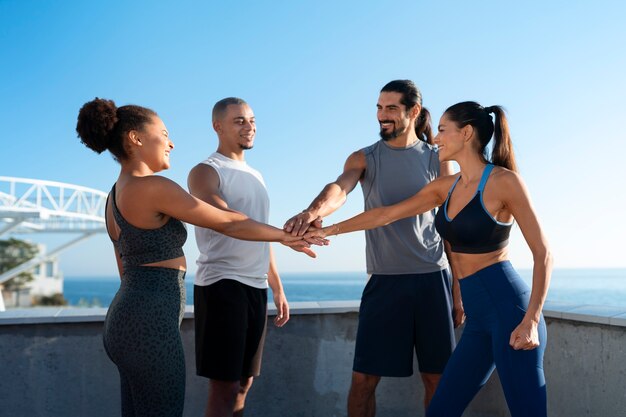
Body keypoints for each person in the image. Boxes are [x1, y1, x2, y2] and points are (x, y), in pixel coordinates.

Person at [75, 98, 322, 417]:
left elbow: (125, 269)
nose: (171, 143)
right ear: (136, 138)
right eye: (163, 133)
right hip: (150, 324)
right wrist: (289, 235)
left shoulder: (114, 196)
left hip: (125, 317)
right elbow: (227, 220)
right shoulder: (153, 187)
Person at [305, 101, 552, 417]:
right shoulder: (445, 188)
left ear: (465, 133)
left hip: (510, 312)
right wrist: (327, 229)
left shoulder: (504, 182)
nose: (436, 138)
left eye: (442, 130)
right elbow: (385, 214)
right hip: (479, 320)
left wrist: (531, 319)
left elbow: (544, 254)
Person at [284, 80, 461, 415]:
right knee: (363, 381)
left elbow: (449, 226)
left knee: (438, 380)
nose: (382, 115)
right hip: (385, 282)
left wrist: (458, 287)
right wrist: (312, 212)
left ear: (414, 112)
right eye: (379, 108)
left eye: (391, 108)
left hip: (432, 281)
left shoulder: (438, 158)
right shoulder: (364, 157)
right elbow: (339, 188)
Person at [188, 97, 303, 417]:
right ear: (218, 126)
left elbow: (257, 235)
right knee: (223, 388)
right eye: (239, 121)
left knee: (244, 383)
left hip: (255, 288)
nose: (249, 126)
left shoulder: (257, 175)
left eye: (251, 120)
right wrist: (286, 236)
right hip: (222, 285)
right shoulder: (205, 172)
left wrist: (277, 287)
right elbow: (231, 223)